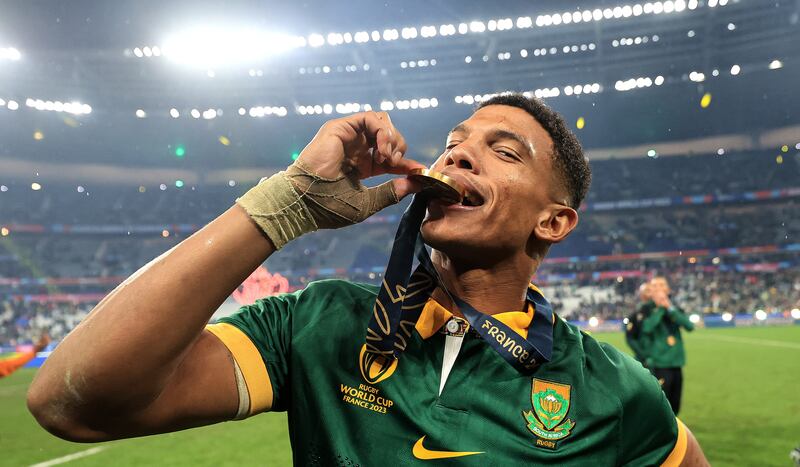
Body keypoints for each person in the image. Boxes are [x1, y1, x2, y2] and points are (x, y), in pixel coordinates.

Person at [27, 94, 708, 465]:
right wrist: (287, 203)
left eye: (502, 151)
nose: (459, 150)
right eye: (455, 140)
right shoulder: (319, 322)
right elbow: (70, 401)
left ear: (555, 221)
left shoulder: (617, 391)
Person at [641, 276, 695, 415]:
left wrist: (669, 308)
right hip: (660, 362)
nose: (659, 289)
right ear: (650, 291)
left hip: (676, 361)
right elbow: (647, 328)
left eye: (662, 285)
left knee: (675, 402)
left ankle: (675, 433)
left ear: (668, 289)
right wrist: (660, 309)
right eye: (655, 286)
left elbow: (689, 326)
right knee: (662, 402)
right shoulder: (646, 309)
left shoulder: (674, 308)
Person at [625, 282, 654, 366]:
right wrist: (643, 355)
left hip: (661, 358)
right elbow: (630, 338)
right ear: (641, 294)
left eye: (650, 290)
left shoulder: (660, 311)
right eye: (646, 291)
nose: (648, 293)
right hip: (643, 358)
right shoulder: (635, 315)